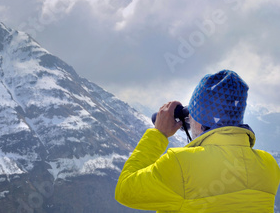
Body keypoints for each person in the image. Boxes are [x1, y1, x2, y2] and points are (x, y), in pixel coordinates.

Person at [115, 69, 280, 212]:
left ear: (201, 121)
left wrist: (158, 134)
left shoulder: (180, 164)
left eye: (191, 114)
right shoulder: (268, 166)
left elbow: (124, 190)